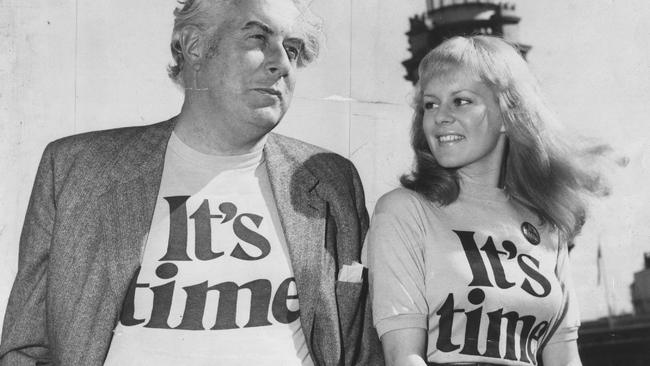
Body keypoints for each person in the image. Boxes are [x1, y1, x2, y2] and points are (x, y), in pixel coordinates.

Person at [0, 0, 382, 365]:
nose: (282, 63)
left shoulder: (330, 179)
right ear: (195, 46)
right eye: (257, 38)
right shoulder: (77, 170)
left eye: (293, 49)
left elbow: (361, 351)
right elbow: (26, 348)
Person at [366, 35, 606, 366]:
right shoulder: (404, 210)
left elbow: (564, 357)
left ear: (508, 115)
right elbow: (402, 356)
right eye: (430, 104)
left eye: (461, 101)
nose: (440, 116)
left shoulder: (546, 224)